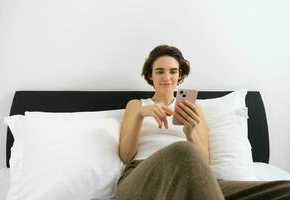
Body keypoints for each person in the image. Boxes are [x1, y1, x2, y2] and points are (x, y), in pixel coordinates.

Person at [115, 45, 290, 200]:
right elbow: (126, 156)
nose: (167, 77)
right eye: (160, 71)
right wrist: (140, 115)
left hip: (191, 178)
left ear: (180, 75)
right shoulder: (137, 105)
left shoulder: (194, 109)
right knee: (182, 149)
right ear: (150, 76)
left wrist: (190, 132)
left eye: (173, 71)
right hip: (142, 178)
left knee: (284, 189)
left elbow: (203, 162)